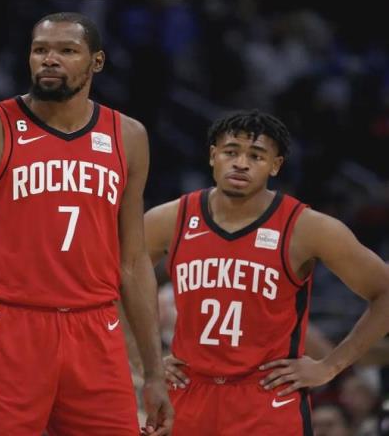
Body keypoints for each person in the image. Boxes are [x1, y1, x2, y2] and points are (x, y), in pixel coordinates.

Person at [0, 12, 173, 436]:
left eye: (67, 50)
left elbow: (134, 261)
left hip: (96, 330)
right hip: (9, 326)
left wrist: (153, 371)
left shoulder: (129, 136)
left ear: (97, 62)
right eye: (40, 49)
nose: (50, 59)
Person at [144, 110, 389, 435]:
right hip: (188, 391)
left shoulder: (309, 228)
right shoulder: (168, 219)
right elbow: (110, 280)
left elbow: (384, 292)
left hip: (266, 396)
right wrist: (145, 360)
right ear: (213, 156)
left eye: (256, 156)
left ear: (275, 165)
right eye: (231, 152)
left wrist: (331, 366)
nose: (241, 163)